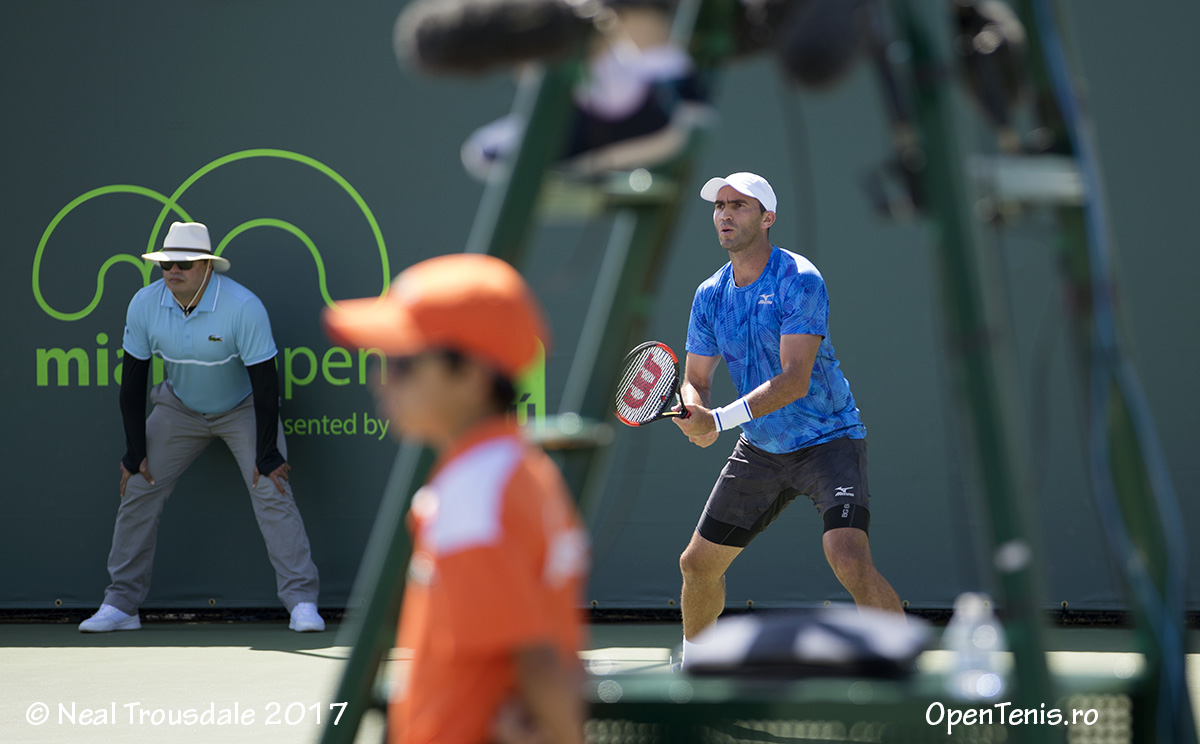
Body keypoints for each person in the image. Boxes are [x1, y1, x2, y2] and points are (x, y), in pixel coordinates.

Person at [322, 253, 589, 744]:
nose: (380, 378)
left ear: (471, 377)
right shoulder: (513, 469)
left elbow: (536, 657)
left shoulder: (476, 490)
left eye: (403, 362)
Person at [672, 172, 903, 667]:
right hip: (760, 450)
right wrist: (695, 410)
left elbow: (795, 380)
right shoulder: (709, 294)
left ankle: (901, 662)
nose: (725, 214)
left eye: (739, 205)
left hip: (829, 440)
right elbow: (696, 378)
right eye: (719, 206)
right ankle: (697, 670)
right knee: (697, 565)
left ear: (767, 218)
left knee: (848, 558)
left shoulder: (799, 278)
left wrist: (718, 421)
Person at [78, 222, 324, 633]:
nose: (173, 271)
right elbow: (133, 383)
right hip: (179, 407)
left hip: (243, 407)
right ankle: (121, 604)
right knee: (138, 484)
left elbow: (266, 385)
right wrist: (135, 452)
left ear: (207, 266)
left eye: (185, 264)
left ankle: (301, 601)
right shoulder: (144, 304)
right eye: (166, 264)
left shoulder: (242, 306)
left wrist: (267, 453)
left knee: (271, 486)